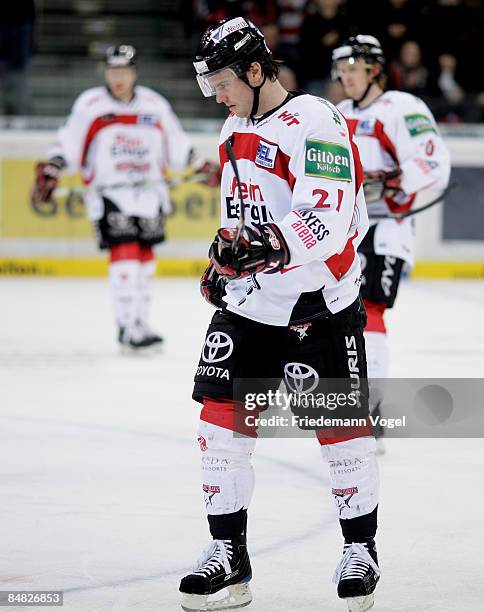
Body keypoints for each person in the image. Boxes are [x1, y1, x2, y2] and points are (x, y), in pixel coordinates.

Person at [179, 17, 381, 612]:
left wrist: (265, 246)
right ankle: (227, 556)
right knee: (219, 423)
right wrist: (226, 258)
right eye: (210, 82)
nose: (216, 93)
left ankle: (359, 549)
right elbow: (239, 209)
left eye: (222, 81)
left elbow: (326, 213)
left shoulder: (317, 120)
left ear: (257, 71)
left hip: (321, 301)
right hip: (253, 303)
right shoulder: (233, 126)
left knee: (339, 431)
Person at [32, 45, 217, 350]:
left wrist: (200, 165)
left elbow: (177, 142)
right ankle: (127, 325)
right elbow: (68, 141)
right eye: (113, 71)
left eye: (124, 71)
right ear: (106, 72)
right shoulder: (90, 104)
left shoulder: (154, 104)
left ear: (134, 73)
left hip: (150, 194)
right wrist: (54, 167)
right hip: (111, 194)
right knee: (126, 255)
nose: (118, 78)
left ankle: (140, 323)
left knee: (145, 259)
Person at [332, 35, 451, 446]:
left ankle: (371, 409)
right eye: (342, 70)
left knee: (370, 311)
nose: (345, 77)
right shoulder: (336, 114)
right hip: (346, 231)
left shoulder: (401, 107)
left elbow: (433, 161)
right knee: (342, 316)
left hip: (387, 229)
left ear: (374, 70)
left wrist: (392, 181)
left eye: (353, 69)